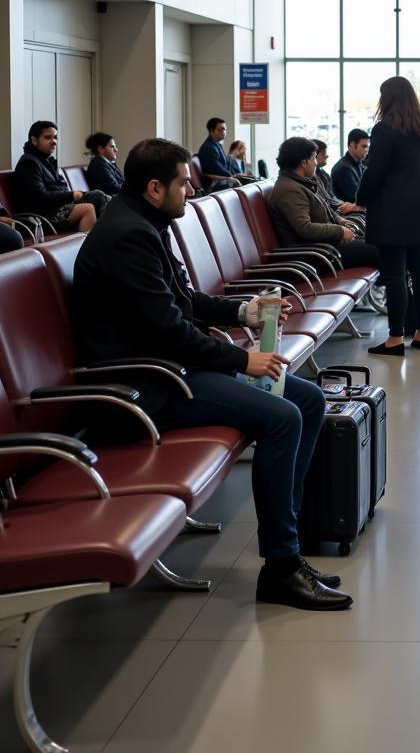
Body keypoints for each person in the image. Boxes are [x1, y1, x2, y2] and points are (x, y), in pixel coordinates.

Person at [71, 138, 352, 611]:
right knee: (283, 416)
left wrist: (245, 311)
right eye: (183, 183)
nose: (190, 189)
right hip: (147, 388)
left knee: (307, 399)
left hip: (169, 368)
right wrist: (244, 361)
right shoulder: (128, 236)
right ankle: (280, 567)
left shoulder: (145, 222)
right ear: (155, 187)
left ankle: (290, 539)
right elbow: (169, 332)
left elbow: (183, 302)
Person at [356, 77, 420, 357]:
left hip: (392, 211)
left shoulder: (385, 129)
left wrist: (360, 200)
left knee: (394, 273)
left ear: (388, 99)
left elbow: (375, 172)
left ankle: (394, 339)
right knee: (419, 269)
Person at [268, 137, 379, 269]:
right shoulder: (289, 190)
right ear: (303, 163)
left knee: (380, 243)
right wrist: (340, 231)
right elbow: (305, 228)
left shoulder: (300, 183)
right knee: (381, 250)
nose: (316, 163)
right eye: (314, 158)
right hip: (315, 253)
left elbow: (324, 208)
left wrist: (341, 221)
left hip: (324, 247)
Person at [11, 121, 100, 234]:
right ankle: (89, 249)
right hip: (40, 215)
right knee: (88, 208)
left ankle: (113, 238)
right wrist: (70, 195)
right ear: (34, 140)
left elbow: (61, 186)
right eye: (48, 137)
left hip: (54, 208)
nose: (54, 142)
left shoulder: (48, 161)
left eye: (55, 137)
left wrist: (69, 194)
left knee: (98, 196)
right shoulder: (29, 163)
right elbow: (39, 196)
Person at [198, 117, 253, 189]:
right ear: (212, 131)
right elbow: (217, 169)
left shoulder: (217, 145)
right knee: (250, 183)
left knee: (253, 180)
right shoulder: (209, 148)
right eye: (221, 129)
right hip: (215, 183)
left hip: (225, 178)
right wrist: (233, 175)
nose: (224, 132)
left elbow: (227, 164)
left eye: (225, 129)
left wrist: (237, 174)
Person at [331, 128, 369, 209]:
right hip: (348, 215)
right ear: (351, 145)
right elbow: (357, 198)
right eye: (364, 146)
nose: (366, 150)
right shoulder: (344, 169)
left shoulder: (359, 164)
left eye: (367, 147)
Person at [312, 140, 344, 213]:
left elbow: (331, 197)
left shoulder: (323, 173)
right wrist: (343, 205)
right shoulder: (311, 177)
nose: (327, 155)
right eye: (323, 153)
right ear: (314, 155)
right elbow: (325, 200)